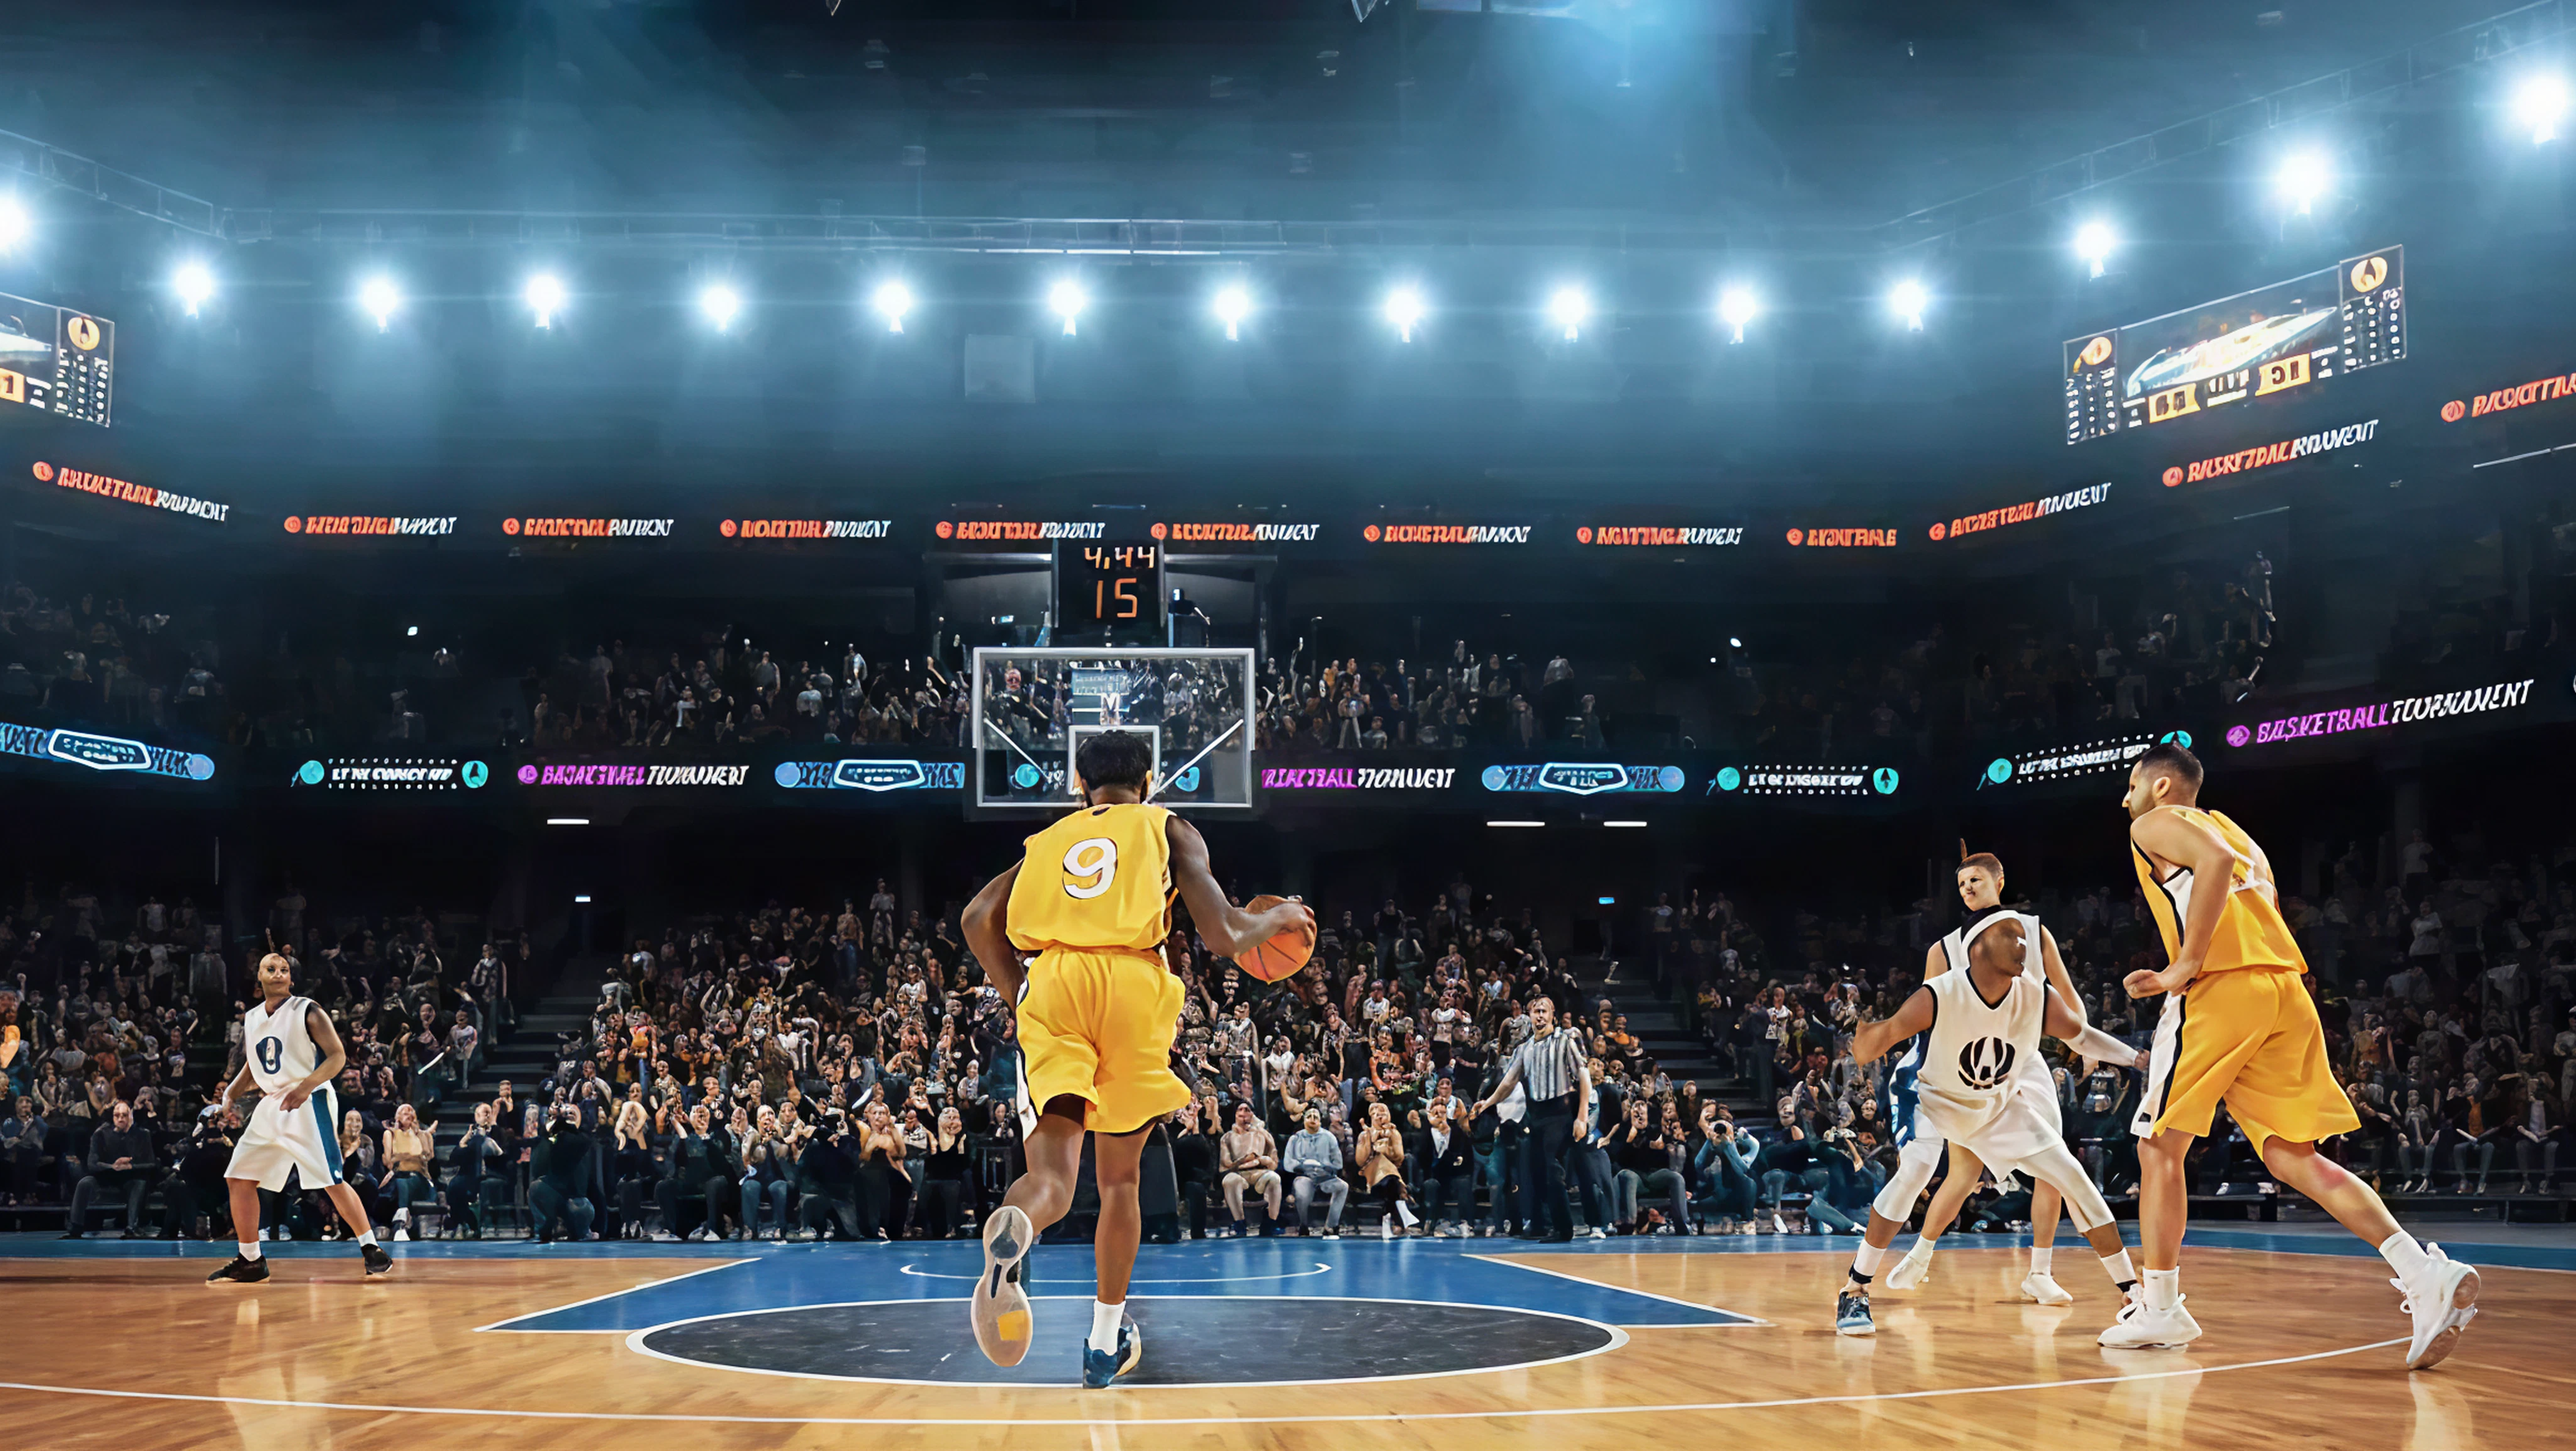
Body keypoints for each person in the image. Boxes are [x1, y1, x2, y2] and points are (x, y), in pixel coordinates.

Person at [959, 730, 1313, 1388]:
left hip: (1054, 983)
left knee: (1055, 1178)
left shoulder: (1047, 840)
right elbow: (1226, 933)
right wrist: (1284, 913)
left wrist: (1024, 996)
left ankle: (1022, 1220)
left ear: (1078, 783)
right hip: (1133, 985)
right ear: (1147, 781)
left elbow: (978, 917)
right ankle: (1102, 1344)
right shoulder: (1168, 826)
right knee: (1120, 1179)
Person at [2111, 744, 2478, 1368]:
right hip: (2284, 989)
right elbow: (2249, 886)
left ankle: (2162, 1306)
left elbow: (2215, 863)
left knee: (2158, 1145)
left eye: (2131, 785)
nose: (2125, 799)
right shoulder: (2238, 829)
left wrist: (2187, 962)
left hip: (2223, 989)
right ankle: (2421, 1272)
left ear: (2163, 785)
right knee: (2290, 1154)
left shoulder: (2155, 824)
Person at [1836, 886, 2150, 1338]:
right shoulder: (1939, 995)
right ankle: (1854, 1291)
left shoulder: (2035, 995)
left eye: (2024, 936)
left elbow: (2081, 1036)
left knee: (2072, 1177)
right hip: (1931, 1097)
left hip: (1994, 1107)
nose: (2023, 942)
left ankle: (2131, 1294)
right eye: (2011, 935)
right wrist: (1859, 1034)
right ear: (1977, 947)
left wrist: (2139, 1059)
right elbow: (1877, 1042)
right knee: (1918, 1171)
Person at [1884, 849, 2097, 1304]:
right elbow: (1929, 1018)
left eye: (1976, 879)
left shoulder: (2036, 932)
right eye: (1962, 883)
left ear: (1999, 882)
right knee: (1964, 1170)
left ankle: (2040, 1272)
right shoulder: (1943, 948)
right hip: (1973, 1066)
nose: (1968, 888)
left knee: (2052, 1169)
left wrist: (2085, 1044)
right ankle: (1921, 1253)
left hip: (2026, 1061)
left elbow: (2068, 994)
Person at [206, 954, 393, 1280]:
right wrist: (230, 1093)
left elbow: (338, 1056)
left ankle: (371, 1248)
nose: (278, 973)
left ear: (291, 978)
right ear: (259, 977)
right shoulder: (252, 1018)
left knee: (330, 1180)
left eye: (285, 969)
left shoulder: (307, 1009)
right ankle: (251, 1258)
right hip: (272, 1104)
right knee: (239, 1177)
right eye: (271, 969)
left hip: (309, 1098)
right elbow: (255, 1065)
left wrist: (306, 1086)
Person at [1469, 995, 1591, 1243]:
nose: (1540, 1016)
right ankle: (1539, 1225)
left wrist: (1582, 1117)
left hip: (1560, 1112)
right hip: (1536, 1115)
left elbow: (1584, 1075)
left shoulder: (1565, 1041)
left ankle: (1564, 1229)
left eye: (1545, 1011)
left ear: (1553, 1015)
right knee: (1533, 1172)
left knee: (1552, 1170)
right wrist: (1488, 1102)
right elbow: (1509, 1081)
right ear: (1530, 1015)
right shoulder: (1525, 1049)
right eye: (1536, 1011)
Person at [63, 1099, 157, 1238]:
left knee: (140, 1183)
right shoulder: (101, 1133)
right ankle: (76, 1228)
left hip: (131, 1177)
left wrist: (131, 1166)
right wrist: (114, 1167)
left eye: (124, 1115)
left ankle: (132, 1228)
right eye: (117, 1115)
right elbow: (92, 1164)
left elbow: (151, 1163)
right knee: (85, 1183)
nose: (120, 1119)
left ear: (131, 1115)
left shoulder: (143, 1134)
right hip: (106, 1177)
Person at [1217, 1101, 1283, 1236]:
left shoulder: (1264, 1135)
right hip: (1239, 1174)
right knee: (1230, 1180)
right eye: (1241, 1110)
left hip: (1261, 1174)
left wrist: (1263, 1160)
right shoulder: (1227, 1138)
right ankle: (1239, 1223)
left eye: (1248, 1110)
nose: (1245, 1114)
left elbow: (1274, 1162)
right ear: (1236, 1115)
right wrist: (1244, 1161)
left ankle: (1270, 1222)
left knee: (1275, 1178)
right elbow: (1225, 1166)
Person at [1283, 1106, 1347, 1238]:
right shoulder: (1296, 1139)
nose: (1312, 1120)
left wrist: (1326, 1168)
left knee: (1343, 1187)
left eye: (1316, 1117)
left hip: (1325, 1177)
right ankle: (1304, 1225)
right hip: (1305, 1176)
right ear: (1304, 1120)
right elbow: (1288, 1164)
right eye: (1309, 1117)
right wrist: (1302, 1167)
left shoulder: (1329, 1137)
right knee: (1302, 1189)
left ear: (1320, 1121)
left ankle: (1331, 1225)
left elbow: (1338, 1163)